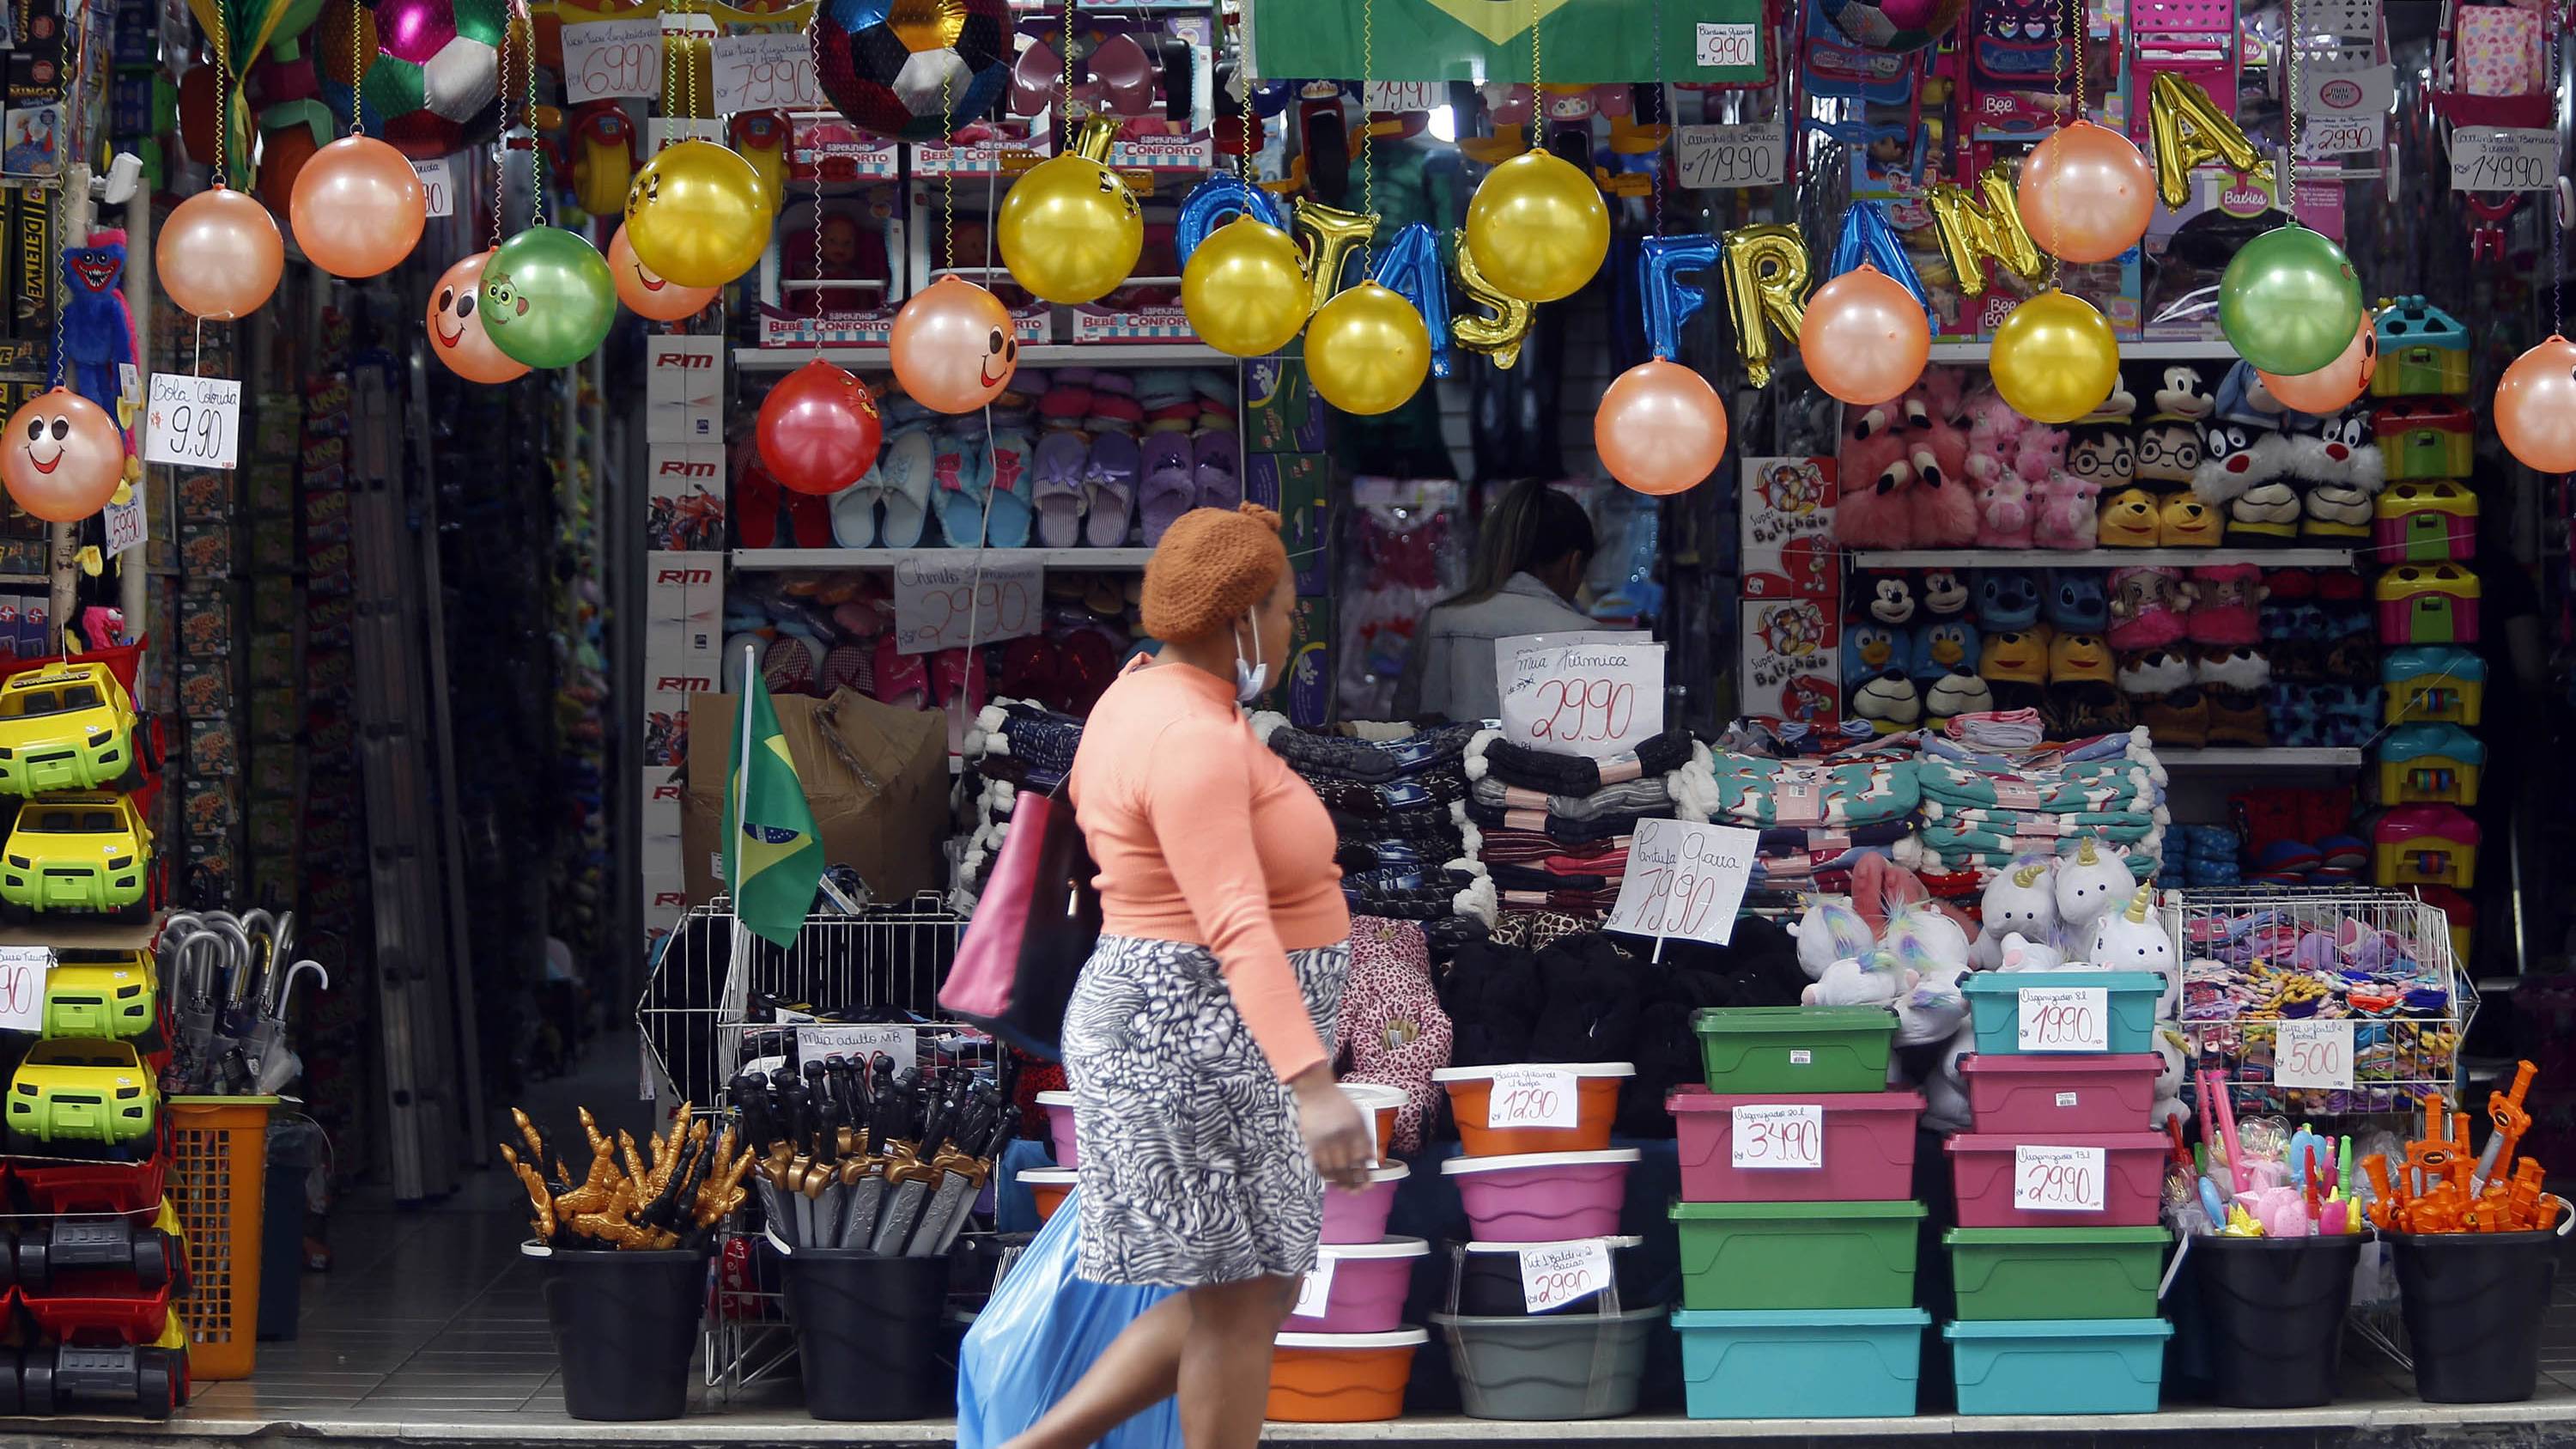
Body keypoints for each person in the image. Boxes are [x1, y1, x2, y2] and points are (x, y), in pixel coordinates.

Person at [1003, 504, 1375, 1449]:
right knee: (1240, 1303)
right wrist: (1315, 1085)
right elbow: (1233, 923)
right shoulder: (1191, 739)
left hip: (1200, 1034)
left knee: (1257, 1290)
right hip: (1191, 1037)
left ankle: (1036, 1447)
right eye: (1287, 610)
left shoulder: (1144, 694)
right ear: (1239, 618)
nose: (1296, 632)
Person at [1392, 478, 1598, 721]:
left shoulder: (1439, 622)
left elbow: (1404, 730)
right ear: (1574, 564)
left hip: (1447, 759)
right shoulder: (1588, 637)